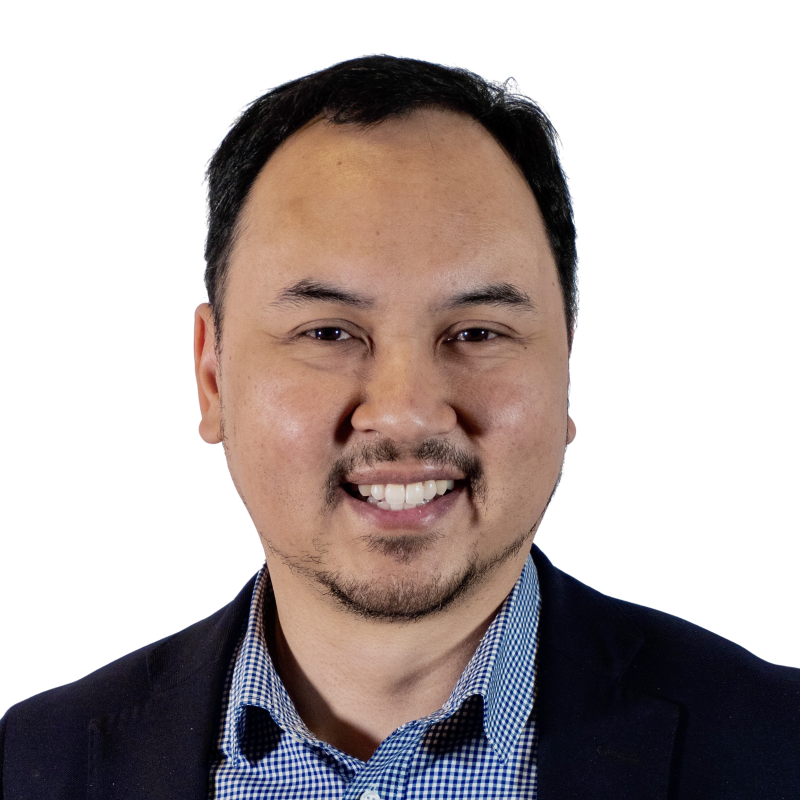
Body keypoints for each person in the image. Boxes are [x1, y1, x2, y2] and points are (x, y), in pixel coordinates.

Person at [2, 54, 797, 800]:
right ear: (211, 376)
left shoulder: (779, 747)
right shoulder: (32, 761)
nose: (408, 409)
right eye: (329, 333)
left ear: (567, 371)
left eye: (478, 332)